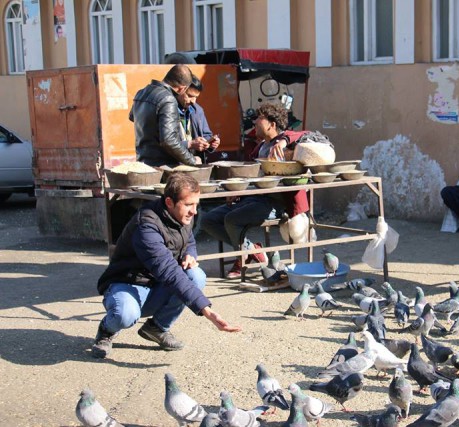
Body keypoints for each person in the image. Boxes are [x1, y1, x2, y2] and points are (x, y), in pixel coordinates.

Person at [91, 173, 241, 359]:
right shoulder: (146, 226)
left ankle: (157, 328)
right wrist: (207, 311)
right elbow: (169, 272)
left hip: (156, 286)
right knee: (125, 315)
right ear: (169, 202)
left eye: (196, 204)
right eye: (188, 205)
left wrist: (189, 254)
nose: (194, 211)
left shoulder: (183, 215)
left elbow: (189, 241)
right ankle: (106, 331)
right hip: (127, 283)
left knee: (196, 275)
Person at [200, 102, 309, 278]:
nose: (255, 122)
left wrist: (284, 141)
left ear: (272, 124)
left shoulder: (287, 144)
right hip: (252, 198)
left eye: (259, 118)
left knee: (231, 220)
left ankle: (243, 254)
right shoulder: (259, 147)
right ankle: (250, 249)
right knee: (208, 220)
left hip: (276, 204)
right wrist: (237, 191)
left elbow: (309, 135)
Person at [129, 64, 200, 167]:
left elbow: (132, 117)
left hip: (143, 163)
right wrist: (192, 160)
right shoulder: (168, 99)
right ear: (182, 89)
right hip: (163, 168)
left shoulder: (141, 93)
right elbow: (169, 141)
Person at [176, 74, 220, 164]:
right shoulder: (168, 111)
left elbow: (206, 134)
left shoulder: (198, 110)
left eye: (196, 97)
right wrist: (190, 144)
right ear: (180, 90)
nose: (193, 101)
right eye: (190, 95)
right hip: (174, 164)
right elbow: (166, 142)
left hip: (195, 164)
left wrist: (211, 143)